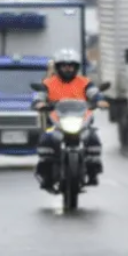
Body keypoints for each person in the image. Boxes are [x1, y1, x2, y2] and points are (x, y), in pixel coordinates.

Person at [34, 49, 108, 190]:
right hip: (56, 124)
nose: (68, 69)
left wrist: (100, 101)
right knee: (45, 139)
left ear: (76, 67)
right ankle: (46, 176)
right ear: (58, 67)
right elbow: (40, 97)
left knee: (93, 138)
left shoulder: (84, 82)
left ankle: (93, 173)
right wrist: (39, 103)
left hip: (81, 122)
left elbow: (94, 94)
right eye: (64, 66)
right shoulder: (48, 83)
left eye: (71, 66)